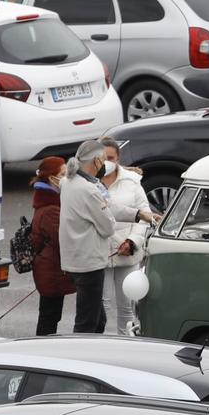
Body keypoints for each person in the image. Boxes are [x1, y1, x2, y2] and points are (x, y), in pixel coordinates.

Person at [59, 139, 132, 335]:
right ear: (96, 162)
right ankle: (81, 358)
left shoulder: (68, 182)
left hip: (74, 259)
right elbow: (108, 227)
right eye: (103, 160)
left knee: (98, 318)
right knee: (87, 321)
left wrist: (136, 214)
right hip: (89, 263)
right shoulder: (89, 189)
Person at [101, 138, 160, 338]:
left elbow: (145, 215)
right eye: (102, 158)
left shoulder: (132, 182)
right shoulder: (90, 182)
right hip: (100, 254)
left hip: (127, 253)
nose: (106, 162)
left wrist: (133, 242)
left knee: (127, 308)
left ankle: (125, 346)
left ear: (118, 159)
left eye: (110, 158)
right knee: (102, 306)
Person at [26, 157, 74, 335]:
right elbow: (63, 239)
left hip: (50, 271)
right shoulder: (51, 209)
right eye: (62, 174)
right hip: (51, 273)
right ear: (51, 178)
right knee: (49, 318)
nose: (66, 177)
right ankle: (42, 351)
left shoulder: (48, 203)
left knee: (50, 316)